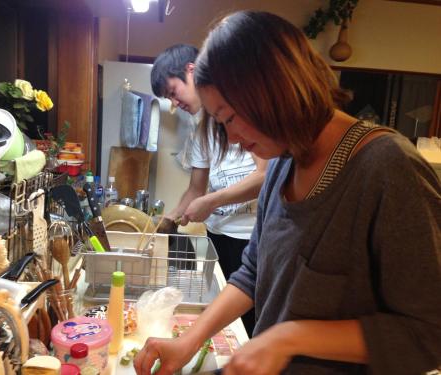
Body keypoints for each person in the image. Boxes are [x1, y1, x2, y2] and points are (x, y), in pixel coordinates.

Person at [134, 11, 441, 375]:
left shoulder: (388, 169)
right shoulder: (283, 162)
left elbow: (428, 334)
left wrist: (290, 337)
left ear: (272, 89)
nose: (230, 138)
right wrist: (187, 342)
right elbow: (252, 271)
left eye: (229, 118)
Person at [151, 44, 268, 336]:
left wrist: (213, 201)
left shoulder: (241, 112)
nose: (174, 104)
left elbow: (265, 176)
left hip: (250, 240)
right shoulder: (198, 129)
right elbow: (195, 189)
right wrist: (169, 219)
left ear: (191, 71)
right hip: (217, 237)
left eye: (173, 92)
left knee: (250, 323)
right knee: (225, 322)